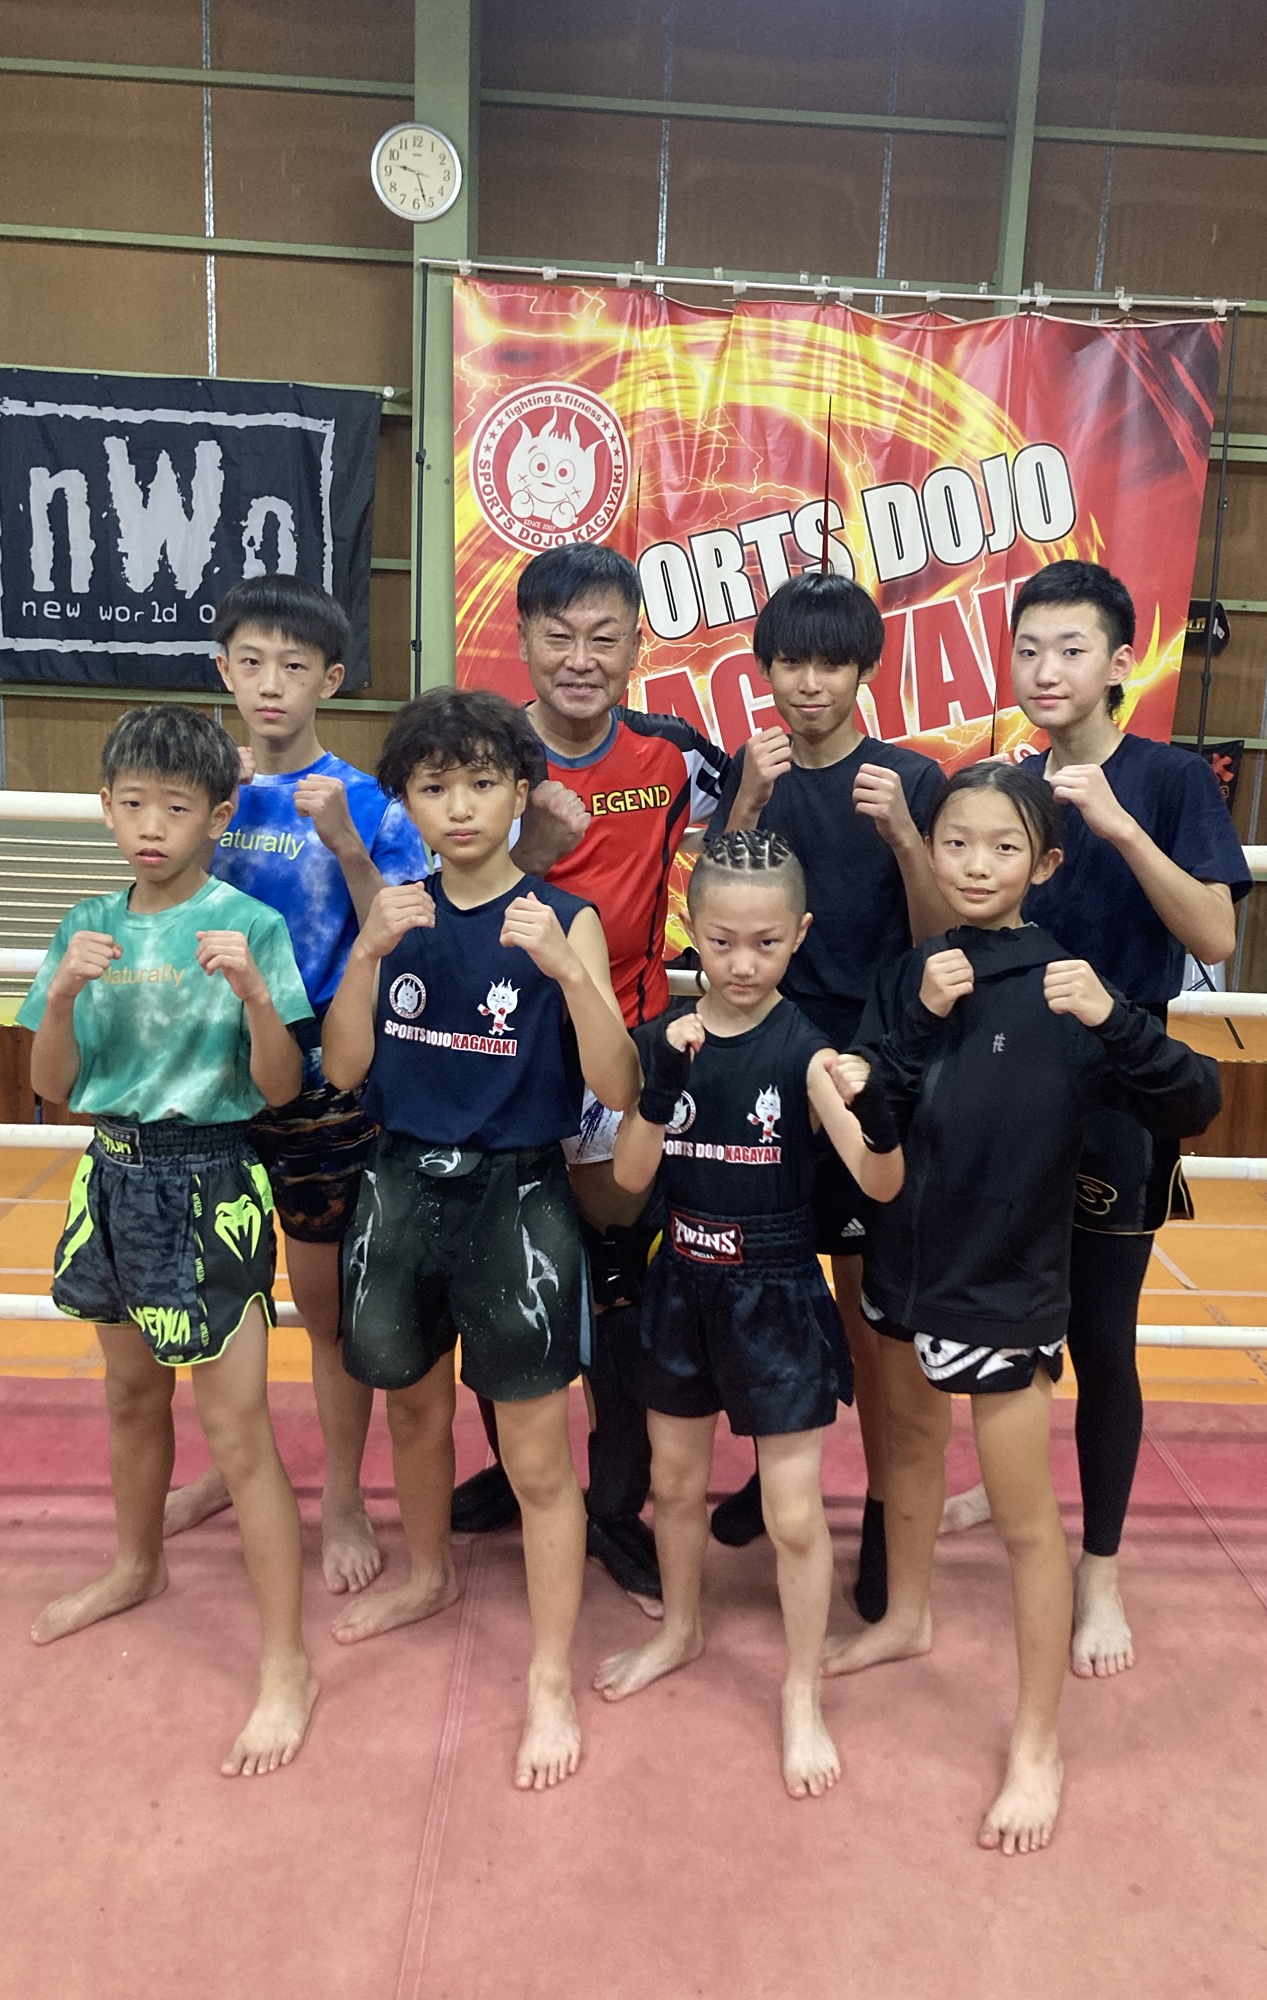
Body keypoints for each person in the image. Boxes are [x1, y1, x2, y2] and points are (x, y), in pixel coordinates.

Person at [824, 763, 1220, 1853]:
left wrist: (1116, 1018)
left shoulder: (1067, 986)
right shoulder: (916, 971)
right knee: (909, 1451)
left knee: (1021, 1517)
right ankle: (907, 1617)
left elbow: (1196, 1099)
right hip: (905, 1268)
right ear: (932, 848)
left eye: (1003, 846)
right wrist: (908, 1028)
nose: (975, 865)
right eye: (956, 842)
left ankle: (1037, 1742)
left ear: (1043, 864)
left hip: (1005, 1288)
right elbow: (878, 1104)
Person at [320, 686, 639, 1790]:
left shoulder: (563, 915)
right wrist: (365, 954)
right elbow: (344, 1070)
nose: (460, 806)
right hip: (399, 1184)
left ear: (518, 792)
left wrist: (569, 970)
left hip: (519, 1194)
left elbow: (618, 1085)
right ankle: (428, 1574)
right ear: (406, 802)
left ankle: (549, 1674)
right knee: (412, 1410)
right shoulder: (395, 912)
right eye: (434, 786)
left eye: (482, 782)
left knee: (537, 1453)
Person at [941, 562, 1251, 1678]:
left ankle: (1102, 1563)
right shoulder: (1007, 783)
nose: (1046, 670)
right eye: (1028, 648)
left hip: (1120, 1089)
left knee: (1102, 1335)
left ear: (1120, 661)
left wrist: (1119, 827)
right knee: (1009, 1307)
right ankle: (1009, 1483)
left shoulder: (1169, 778)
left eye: (1070, 649)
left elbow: (1214, 933)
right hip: (1007, 1084)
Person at [18, 705, 319, 1777]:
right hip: (109, 1172)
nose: (152, 825)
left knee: (237, 1428)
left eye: (176, 807)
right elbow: (53, 1085)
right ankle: (136, 1562)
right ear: (106, 807)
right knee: (129, 1395)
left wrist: (255, 996)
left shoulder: (249, 924)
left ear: (217, 816)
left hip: (213, 1177)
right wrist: (62, 992)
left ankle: (286, 1663)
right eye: (134, 803)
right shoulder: (86, 922)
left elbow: (279, 1090)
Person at [593, 830, 904, 1798]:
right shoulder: (667, 1040)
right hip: (682, 1276)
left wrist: (880, 1110)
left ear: (799, 935)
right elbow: (630, 1180)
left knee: (794, 1511)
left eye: (766, 944)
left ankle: (801, 1690)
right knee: (675, 1483)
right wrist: (658, 1092)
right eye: (723, 941)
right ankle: (683, 1629)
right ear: (691, 928)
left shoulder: (808, 1053)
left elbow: (880, 1183)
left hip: (775, 1287)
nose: (741, 963)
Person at [449, 543, 728, 1616]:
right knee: (498, 1277)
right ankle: (518, 1473)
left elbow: (758, 822)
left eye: (603, 637)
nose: (580, 658)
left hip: (625, 1050)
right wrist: (528, 844)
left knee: (621, 1288)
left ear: (635, 644)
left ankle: (612, 1503)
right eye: (558, 636)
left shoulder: (674, 755)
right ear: (521, 639)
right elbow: (427, 883)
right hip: (498, 1052)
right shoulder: (480, 755)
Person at [163, 573, 427, 1593]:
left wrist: (349, 845)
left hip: (323, 1083)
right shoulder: (202, 790)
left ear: (332, 677)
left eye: (295, 665)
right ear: (223, 670)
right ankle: (231, 1468)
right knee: (218, 1298)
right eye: (252, 663)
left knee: (324, 1310)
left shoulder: (363, 800)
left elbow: (403, 934)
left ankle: (345, 1494)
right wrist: (199, 812)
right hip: (207, 1075)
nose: (272, 684)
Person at [705, 572, 948, 1617]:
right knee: (766, 1286)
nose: (810, 683)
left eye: (831, 663)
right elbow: (716, 916)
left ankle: (888, 1510)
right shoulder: (751, 770)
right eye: (791, 662)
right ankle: (777, 1474)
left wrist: (905, 837)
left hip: (871, 1068)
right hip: (764, 1066)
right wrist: (745, 805)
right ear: (765, 669)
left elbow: (941, 939)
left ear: (864, 669)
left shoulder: (911, 778)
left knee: (869, 1311)